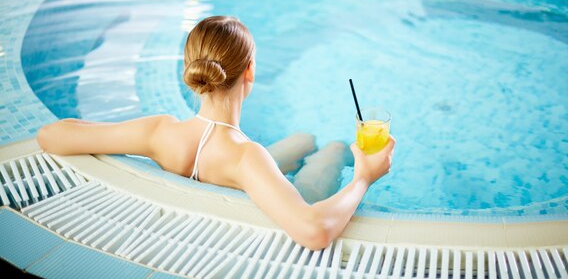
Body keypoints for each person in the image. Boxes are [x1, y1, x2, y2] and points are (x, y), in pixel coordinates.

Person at [36, 15, 395, 251]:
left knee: (302, 140)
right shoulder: (247, 156)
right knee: (329, 150)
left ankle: (310, 146)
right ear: (250, 71)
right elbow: (314, 232)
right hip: (244, 181)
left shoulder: (159, 131)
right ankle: (332, 151)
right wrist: (364, 178)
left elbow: (51, 135)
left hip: (220, 168)